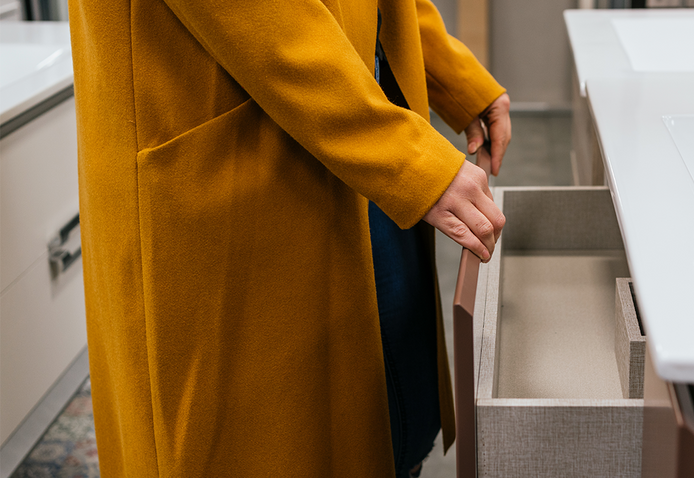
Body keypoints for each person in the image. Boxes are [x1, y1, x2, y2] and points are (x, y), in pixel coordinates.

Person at [68, 0, 509, 475]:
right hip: (242, 165)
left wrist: (449, 70)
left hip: (360, 135)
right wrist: (409, 160)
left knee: (387, 427)